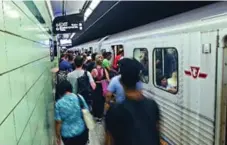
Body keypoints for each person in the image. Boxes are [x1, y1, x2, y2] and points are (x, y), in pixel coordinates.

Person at [105, 58, 160, 145]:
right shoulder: (152, 105)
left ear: (121, 82)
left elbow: (109, 141)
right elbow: (156, 134)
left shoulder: (114, 111)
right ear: (138, 80)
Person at [55, 80, 89, 145]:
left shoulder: (58, 104)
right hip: (81, 132)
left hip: (67, 136)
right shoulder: (79, 97)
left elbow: (58, 123)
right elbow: (86, 111)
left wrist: (58, 136)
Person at [91, 54, 110, 122]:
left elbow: (91, 80)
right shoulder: (104, 69)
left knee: (96, 101)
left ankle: (95, 116)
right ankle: (100, 116)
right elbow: (108, 80)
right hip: (102, 87)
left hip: (96, 87)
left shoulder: (93, 70)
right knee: (102, 101)